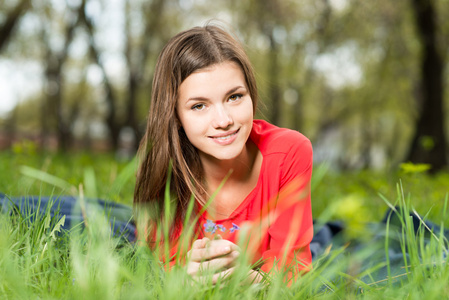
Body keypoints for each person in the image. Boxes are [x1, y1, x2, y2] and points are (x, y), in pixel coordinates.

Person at [133, 23, 313, 284]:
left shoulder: (289, 152)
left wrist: (249, 279)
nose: (223, 120)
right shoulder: (163, 170)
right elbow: (154, 271)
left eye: (234, 97)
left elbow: (293, 270)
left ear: (250, 93)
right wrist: (184, 276)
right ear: (175, 115)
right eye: (198, 106)